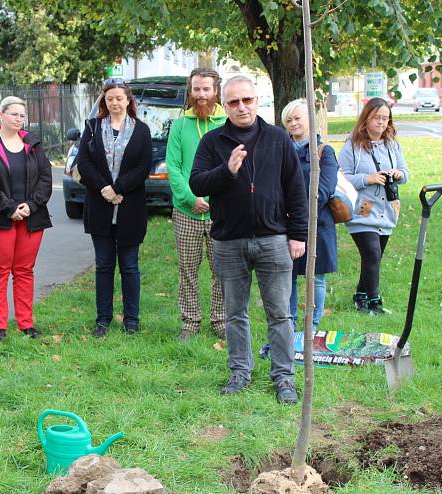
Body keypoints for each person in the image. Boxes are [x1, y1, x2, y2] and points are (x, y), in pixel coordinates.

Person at [190, 76, 307, 403]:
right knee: (235, 313)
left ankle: (284, 377)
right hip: (229, 241)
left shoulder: (278, 139)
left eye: (247, 100)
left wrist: (298, 234)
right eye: (233, 102)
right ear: (223, 106)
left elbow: (296, 190)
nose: (241, 107)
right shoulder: (213, 142)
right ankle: (240, 371)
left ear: (257, 101)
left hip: (273, 239)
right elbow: (198, 184)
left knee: (280, 313)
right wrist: (226, 170)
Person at [0, 96, 53, 341]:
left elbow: (46, 178)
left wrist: (30, 205)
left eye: (22, 115)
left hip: (31, 217)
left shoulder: (33, 143)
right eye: (14, 114)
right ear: (1, 115)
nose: (18, 119)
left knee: (24, 270)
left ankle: (26, 323)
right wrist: (9, 208)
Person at [76, 80, 152, 337]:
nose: (115, 103)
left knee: (130, 266)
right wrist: (105, 189)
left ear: (128, 100)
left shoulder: (141, 130)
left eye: (119, 98)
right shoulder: (93, 127)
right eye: (110, 99)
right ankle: (103, 320)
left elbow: (143, 167)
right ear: (104, 102)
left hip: (130, 208)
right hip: (100, 207)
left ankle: (131, 319)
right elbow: (83, 163)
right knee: (104, 266)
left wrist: (119, 187)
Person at [166, 68, 227, 341]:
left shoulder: (228, 123)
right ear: (190, 92)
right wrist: (192, 199)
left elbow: (233, 167)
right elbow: (174, 167)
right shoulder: (180, 125)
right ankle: (190, 323)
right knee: (188, 270)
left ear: (216, 91)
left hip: (222, 212)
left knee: (222, 271)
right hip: (187, 212)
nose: (201, 95)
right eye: (196, 89)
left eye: (206, 89)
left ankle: (221, 321)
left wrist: (213, 199)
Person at [337, 97, 408, 315]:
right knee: (372, 254)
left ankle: (360, 295)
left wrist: (398, 174)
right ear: (366, 118)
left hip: (386, 210)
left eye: (385, 118)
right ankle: (375, 302)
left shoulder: (392, 145)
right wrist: (368, 178)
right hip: (362, 210)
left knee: (374, 258)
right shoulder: (352, 145)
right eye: (376, 117)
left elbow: (406, 174)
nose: (381, 122)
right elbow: (341, 176)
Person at [281, 98, 338, 331]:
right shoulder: (282, 151)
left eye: (298, 118)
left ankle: (312, 326)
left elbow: (325, 188)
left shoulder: (324, 152)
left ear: (310, 120)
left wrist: (300, 210)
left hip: (318, 224)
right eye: (289, 120)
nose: (293, 123)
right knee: (289, 276)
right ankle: (291, 323)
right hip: (286, 224)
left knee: (316, 278)